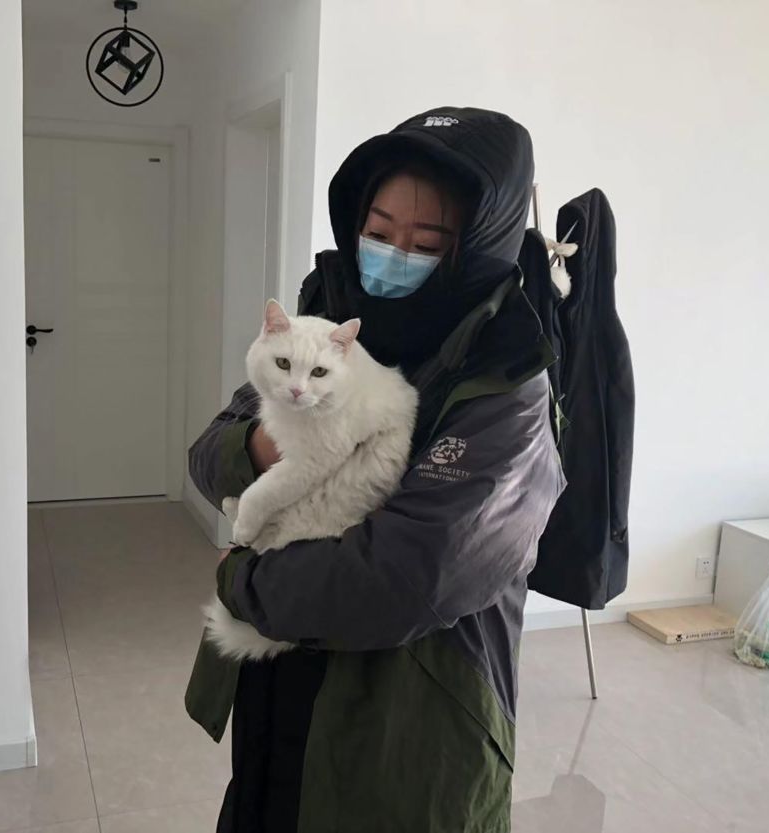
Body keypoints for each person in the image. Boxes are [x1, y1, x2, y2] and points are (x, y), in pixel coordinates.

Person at [185, 107, 566, 833]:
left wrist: (243, 579)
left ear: (479, 246)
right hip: (281, 679)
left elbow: (409, 574)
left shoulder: (507, 380)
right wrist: (277, 447)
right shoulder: (327, 322)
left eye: (426, 242)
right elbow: (212, 450)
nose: (393, 254)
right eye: (379, 232)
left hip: (410, 720)